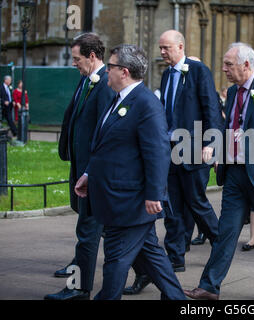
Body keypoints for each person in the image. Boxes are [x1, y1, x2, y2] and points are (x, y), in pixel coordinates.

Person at [183, 42, 254, 300]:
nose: (223, 69)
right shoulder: (234, 92)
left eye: (228, 64)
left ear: (246, 65)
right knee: (226, 232)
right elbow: (229, 127)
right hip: (234, 174)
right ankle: (209, 287)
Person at [73, 44, 186, 300]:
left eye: (110, 67)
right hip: (116, 196)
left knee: (115, 260)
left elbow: (157, 152)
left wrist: (154, 194)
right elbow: (106, 146)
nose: (106, 71)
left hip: (129, 201)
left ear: (123, 72)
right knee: (153, 256)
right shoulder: (118, 99)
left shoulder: (146, 104)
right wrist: (89, 174)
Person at [44, 33, 115, 300]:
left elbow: (106, 132)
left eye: (77, 59)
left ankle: (78, 288)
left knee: (87, 228)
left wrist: (91, 171)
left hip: (93, 171)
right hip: (80, 165)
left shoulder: (106, 83)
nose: (73, 63)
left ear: (92, 56)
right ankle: (145, 269)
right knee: (109, 229)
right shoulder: (87, 80)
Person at [158, 30, 221, 274]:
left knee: (196, 202)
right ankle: (175, 257)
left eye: (166, 48)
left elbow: (211, 109)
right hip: (170, 149)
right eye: (160, 48)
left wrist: (211, 144)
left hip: (195, 148)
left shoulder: (198, 71)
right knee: (172, 205)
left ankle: (220, 244)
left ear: (180, 46)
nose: (162, 52)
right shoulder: (165, 75)